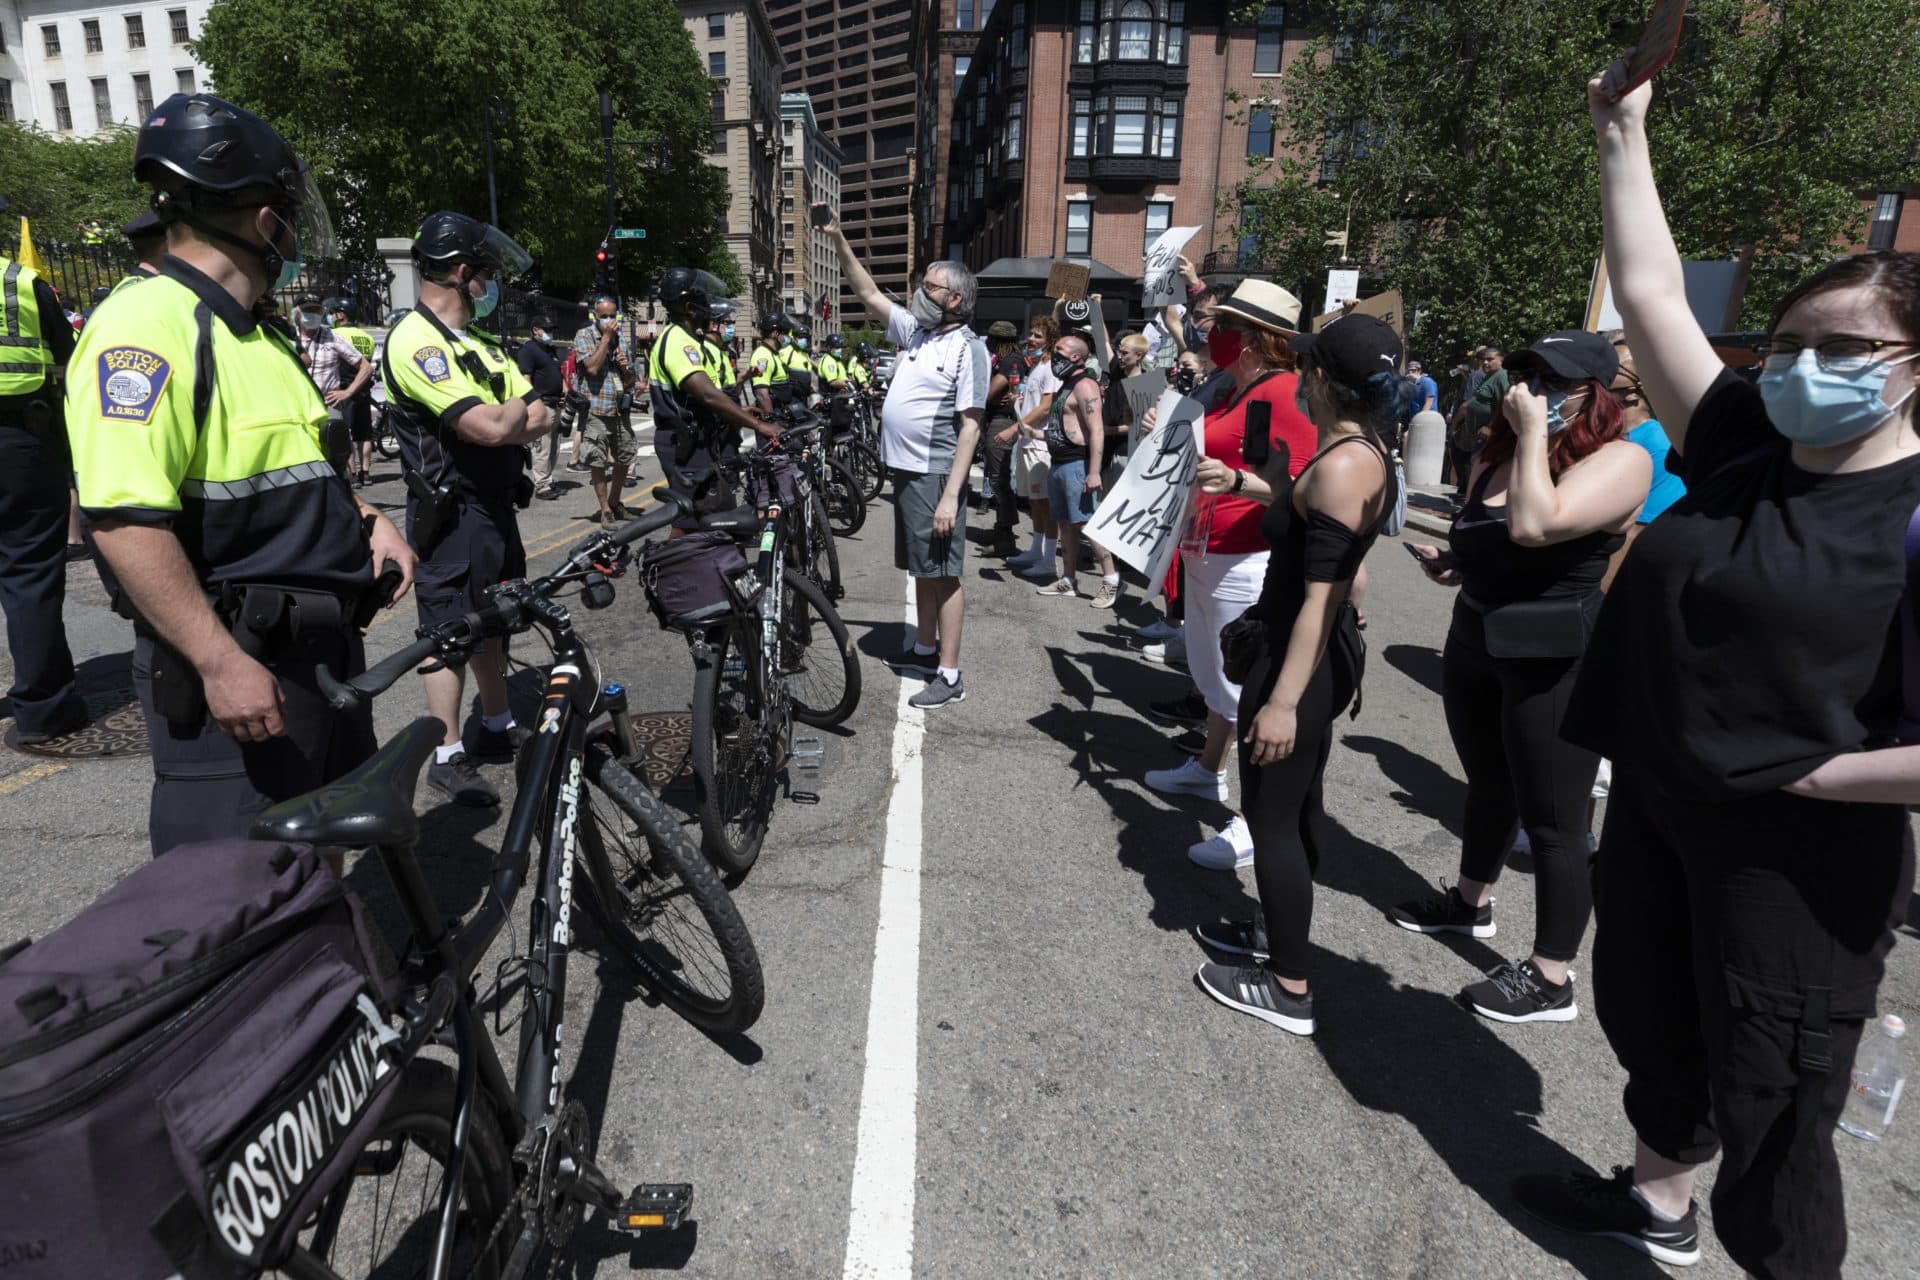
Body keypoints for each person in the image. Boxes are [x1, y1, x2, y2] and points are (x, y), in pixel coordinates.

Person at [1508, 64, 1920, 1278]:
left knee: (1777, 1094)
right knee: (1656, 1023)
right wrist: (1619, 131)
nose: (1800, 364)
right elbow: (1648, 290)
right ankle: (1657, 1203)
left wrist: (1819, 782)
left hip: (1797, 855)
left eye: (1842, 347)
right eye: (1786, 341)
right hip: (1663, 800)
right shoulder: (1748, 438)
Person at [66, 95, 414, 854]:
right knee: (232, 904)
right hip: (240, 671)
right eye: (290, 212)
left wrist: (364, 517)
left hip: (317, 662)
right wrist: (220, 662)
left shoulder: (257, 333)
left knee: (315, 880)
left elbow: (286, 467)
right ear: (264, 221)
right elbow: (124, 518)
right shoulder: (146, 326)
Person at [1393, 330, 1647, 1023]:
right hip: (1477, 637)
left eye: (1552, 381)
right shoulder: (1495, 453)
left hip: (1554, 654)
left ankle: (1552, 976)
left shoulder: (1623, 460)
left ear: (1593, 395)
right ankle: (1470, 903)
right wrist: (1452, 565)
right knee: (1489, 783)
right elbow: (1486, 538)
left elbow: (1537, 527)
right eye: (1526, 373)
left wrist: (1532, 435)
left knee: (1557, 818)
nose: (1531, 390)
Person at [1191, 314, 1400, 1035]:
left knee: (1273, 819)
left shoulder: (1345, 465)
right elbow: (1315, 534)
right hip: (1311, 655)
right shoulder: (1355, 448)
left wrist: (1282, 702)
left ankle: (1288, 987)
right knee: (1299, 807)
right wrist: (1257, 483)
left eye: (1306, 369)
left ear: (1319, 380)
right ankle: (1281, 938)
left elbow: (1324, 594)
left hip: (1298, 659)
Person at [1141, 280, 1317, 871]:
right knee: (1214, 670)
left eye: (1223, 327)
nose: (1211, 335)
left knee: (1247, 685)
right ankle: (1208, 770)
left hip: (1245, 555)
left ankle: (1255, 817)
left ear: (1254, 340)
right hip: (1206, 546)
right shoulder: (1231, 389)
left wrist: (1238, 482)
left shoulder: (1287, 394)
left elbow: (1303, 488)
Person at [384, 210, 551, 807]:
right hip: (450, 514)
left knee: (497, 619)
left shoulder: (477, 342)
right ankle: (447, 752)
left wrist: (509, 418)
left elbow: (544, 413)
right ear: (461, 273)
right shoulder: (415, 339)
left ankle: (497, 723)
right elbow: (488, 425)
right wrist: (509, 416)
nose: (491, 284)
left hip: (496, 508)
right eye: (486, 273)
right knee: (449, 632)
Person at [827, 209, 988, 709]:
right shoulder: (918, 333)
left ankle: (950, 672)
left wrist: (951, 496)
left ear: (955, 299)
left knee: (943, 572)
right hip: (907, 472)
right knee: (922, 569)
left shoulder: (968, 349)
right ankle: (923, 647)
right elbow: (868, 294)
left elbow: (971, 426)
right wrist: (838, 237)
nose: (920, 291)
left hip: (935, 472)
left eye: (930, 286)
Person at [0, 193, 89, 746]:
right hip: (18, 439)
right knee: (29, 571)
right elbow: (72, 359)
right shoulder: (21, 283)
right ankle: (44, 708)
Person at [649, 267, 773, 525]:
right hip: (683, 445)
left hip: (697, 441)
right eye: (704, 300)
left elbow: (712, 394)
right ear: (688, 306)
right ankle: (663, 563)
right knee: (693, 520)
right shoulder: (677, 341)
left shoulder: (689, 340)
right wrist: (759, 426)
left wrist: (740, 413)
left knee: (711, 515)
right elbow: (706, 394)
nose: (709, 307)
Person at [1032, 331, 1121, 607]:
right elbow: (1065, 426)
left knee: (1087, 524)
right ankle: (1068, 580)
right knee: (1066, 524)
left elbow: (1096, 431)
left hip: (1077, 465)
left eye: (1058, 350)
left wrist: (1093, 472)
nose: (1053, 354)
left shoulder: (1085, 385)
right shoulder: (1067, 384)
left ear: (1075, 356)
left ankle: (1111, 580)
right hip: (1059, 464)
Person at [571, 296, 636, 528]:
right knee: (598, 460)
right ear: (595, 316)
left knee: (625, 456)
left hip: (619, 409)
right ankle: (605, 509)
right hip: (596, 408)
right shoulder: (584, 336)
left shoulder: (622, 340)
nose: (609, 320)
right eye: (604, 316)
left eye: (613, 315)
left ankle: (616, 501)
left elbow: (630, 381)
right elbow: (592, 367)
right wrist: (606, 339)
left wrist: (624, 367)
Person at [291, 294, 371, 481]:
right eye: (307, 311)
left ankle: (342, 484)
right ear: (297, 314)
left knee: (335, 452)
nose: (312, 315)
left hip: (327, 404)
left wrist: (348, 392)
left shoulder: (331, 336)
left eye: (316, 311)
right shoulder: (287, 335)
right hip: (297, 406)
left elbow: (365, 367)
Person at [1007, 315, 1062, 578]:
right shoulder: (1037, 366)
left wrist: (1013, 428)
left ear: (1050, 341)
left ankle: (1049, 560)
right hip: (1027, 441)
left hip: (1039, 445)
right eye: (1031, 334)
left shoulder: (1050, 367)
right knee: (1034, 502)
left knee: (1045, 504)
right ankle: (1036, 550)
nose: (1031, 339)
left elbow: (1046, 406)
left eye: (1038, 336)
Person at [980, 320, 1025, 558]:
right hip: (998, 419)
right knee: (996, 477)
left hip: (1002, 422)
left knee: (999, 479)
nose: (988, 342)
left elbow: (988, 394)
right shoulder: (1009, 360)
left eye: (991, 339)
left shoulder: (1011, 361)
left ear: (999, 341)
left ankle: (1005, 536)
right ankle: (1001, 528)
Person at [517, 315, 565, 500]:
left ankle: (549, 481)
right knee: (542, 448)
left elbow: (557, 374)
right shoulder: (528, 350)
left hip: (555, 403)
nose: (550, 333)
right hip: (542, 404)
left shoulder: (549, 350)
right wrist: (530, 405)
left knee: (554, 447)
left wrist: (565, 390)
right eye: (547, 329)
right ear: (535, 330)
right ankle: (542, 485)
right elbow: (526, 379)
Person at [1449, 347, 1507, 497]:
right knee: (1475, 471)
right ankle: (1469, 503)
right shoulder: (1489, 376)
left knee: (1479, 473)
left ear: (1502, 360)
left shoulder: (1502, 376)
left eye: (1490, 359)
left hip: (1488, 435)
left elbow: (1504, 404)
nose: (1485, 362)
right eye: (1483, 359)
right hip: (1476, 434)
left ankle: (1472, 506)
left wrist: (1490, 426)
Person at [748, 311, 792, 414]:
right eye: (785, 333)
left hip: (783, 412)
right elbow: (762, 395)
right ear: (776, 333)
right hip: (775, 416)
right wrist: (772, 422)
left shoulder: (774, 354)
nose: (788, 337)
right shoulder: (763, 356)